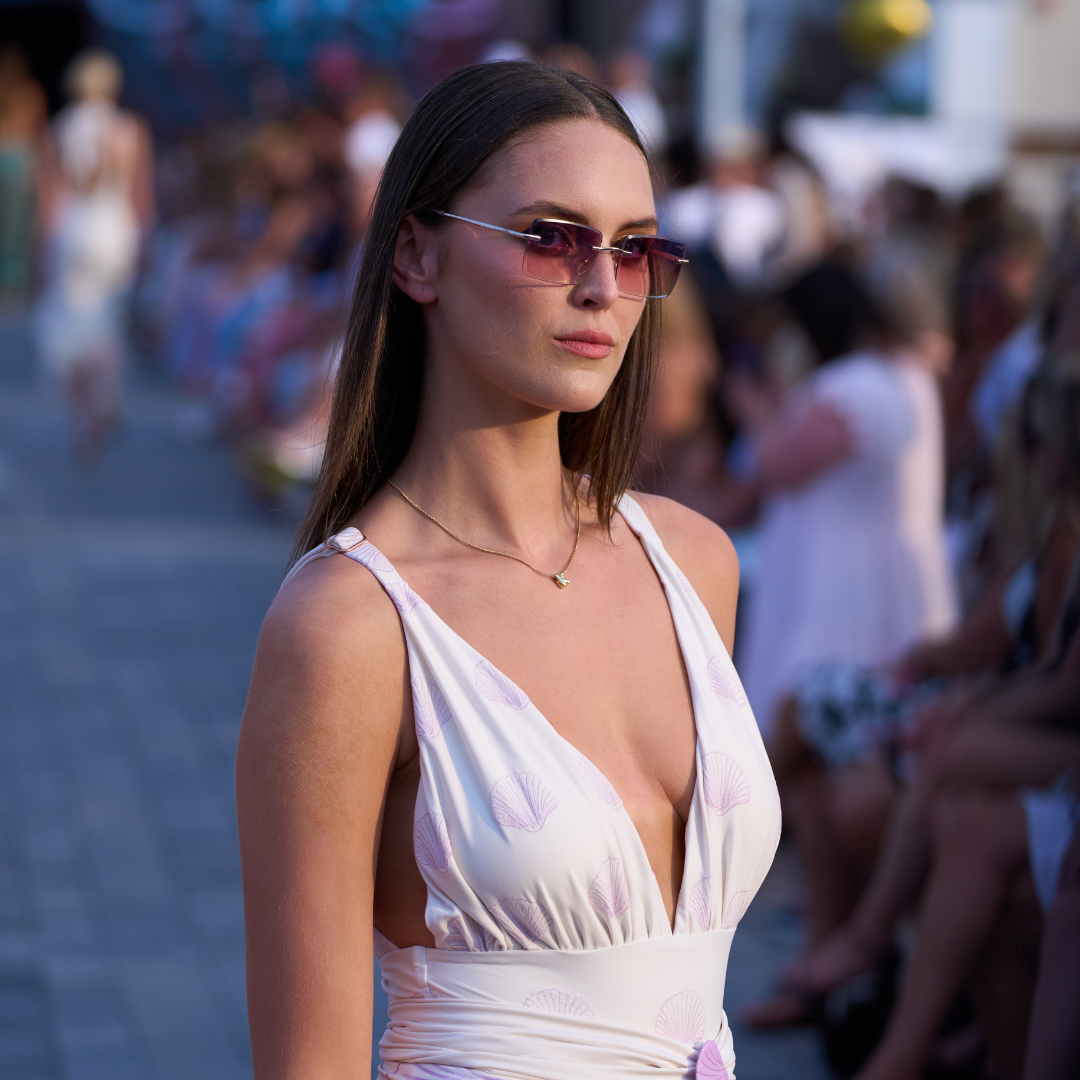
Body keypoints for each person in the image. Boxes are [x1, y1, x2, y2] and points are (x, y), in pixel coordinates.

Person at [236, 61, 780, 1080]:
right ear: (417, 254)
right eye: (550, 237)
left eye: (635, 248)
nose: (602, 286)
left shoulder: (694, 561)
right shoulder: (349, 625)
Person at [33, 50, 154, 459]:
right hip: (116, 230)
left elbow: (50, 199)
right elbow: (141, 194)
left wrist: (39, 253)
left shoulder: (61, 127)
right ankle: (106, 394)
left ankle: (84, 415)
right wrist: (146, 242)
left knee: (68, 324)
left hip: (74, 230)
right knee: (108, 321)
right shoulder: (129, 128)